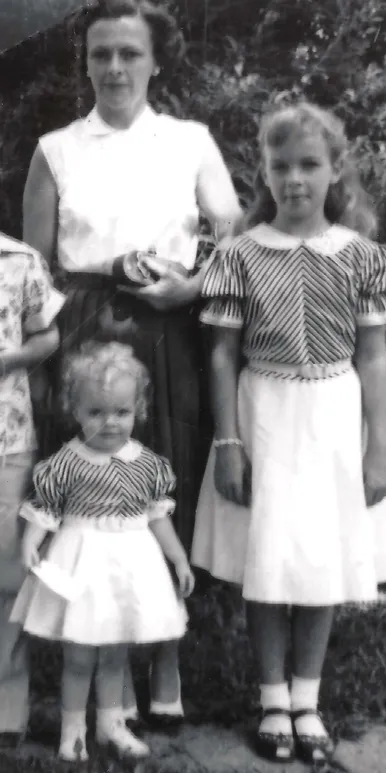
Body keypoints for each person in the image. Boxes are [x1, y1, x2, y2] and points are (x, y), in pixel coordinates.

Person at [22, 0, 242, 728]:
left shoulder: (189, 140)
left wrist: (193, 283)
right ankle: (84, 657)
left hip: (167, 327)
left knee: (160, 483)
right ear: (85, 61)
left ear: (155, 61)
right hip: (84, 330)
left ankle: (167, 660)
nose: (115, 68)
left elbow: (232, 236)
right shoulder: (56, 148)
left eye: (129, 53)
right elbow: (34, 267)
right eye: (100, 53)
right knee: (85, 491)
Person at [191, 102, 386, 764]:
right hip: (265, 414)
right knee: (269, 558)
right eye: (281, 166)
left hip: (333, 417)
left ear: (335, 170)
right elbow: (223, 353)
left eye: (309, 165)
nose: (295, 180)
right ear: (265, 171)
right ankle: (271, 699)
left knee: (319, 560)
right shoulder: (239, 255)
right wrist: (228, 440)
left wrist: (378, 449)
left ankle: (307, 697)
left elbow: (373, 355)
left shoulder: (363, 257)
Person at [11, 342, 194, 762]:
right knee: (78, 655)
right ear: (75, 411)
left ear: (138, 410)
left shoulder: (147, 464)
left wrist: (178, 558)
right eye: (96, 412)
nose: (109, 423)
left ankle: (111, 726)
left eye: (121, 412)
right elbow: (45, 511)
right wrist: (29, 543)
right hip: (81, 564)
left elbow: (157, 515)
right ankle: (72, 731)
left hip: (131, 564)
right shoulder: (65, 464)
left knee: (115, 652)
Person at [0, 232, 64, 747]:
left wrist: (6, 361)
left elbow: (48, 337)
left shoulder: (20, 260)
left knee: (6, 577)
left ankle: (7, 709)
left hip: (8, 439)